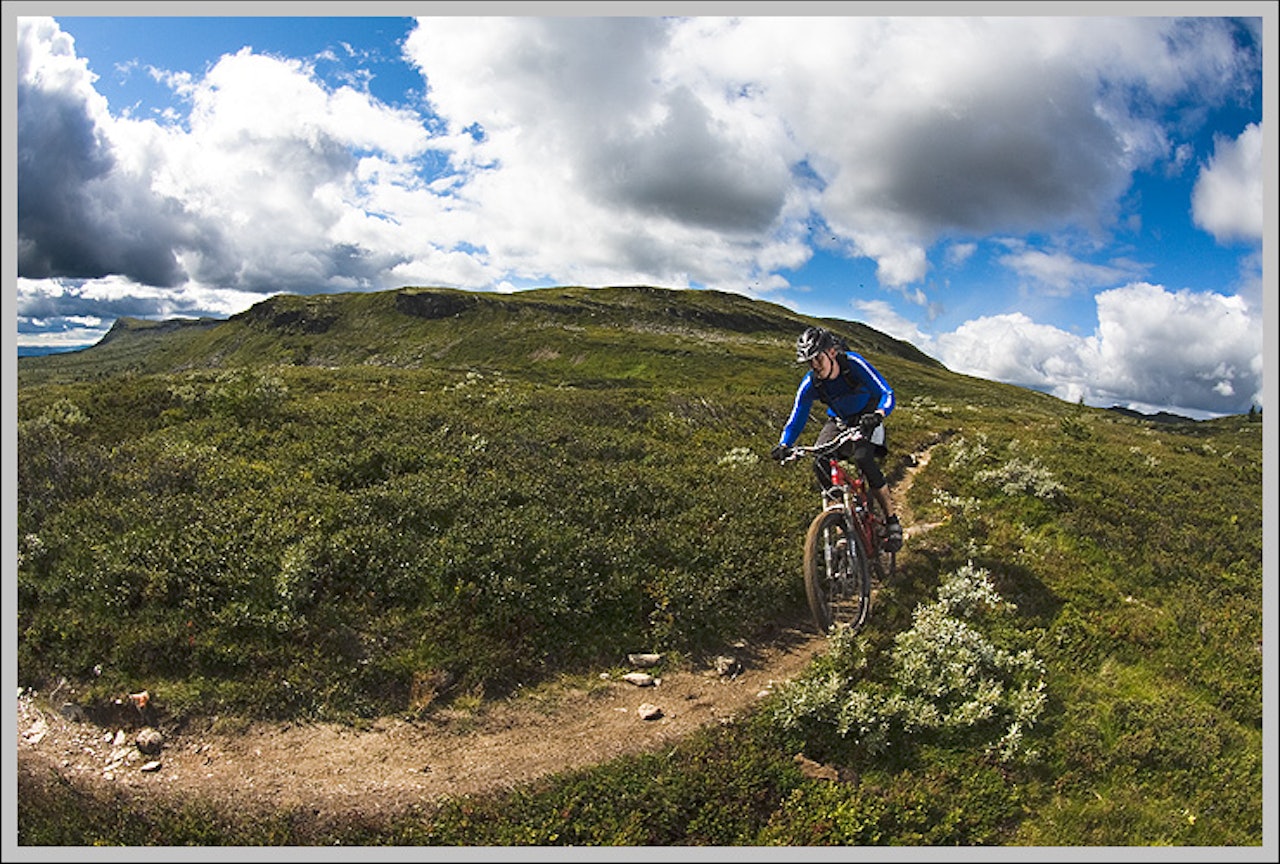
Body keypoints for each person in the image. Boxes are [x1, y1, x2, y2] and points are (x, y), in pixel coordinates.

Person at [770, 326, 903, 552]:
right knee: (820, 461)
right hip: (839, 421)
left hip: (867, 417)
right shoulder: (811, 383)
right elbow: (797, 417)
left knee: (863, 458)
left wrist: (878, 415)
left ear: (831, 352)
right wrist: (785, 444)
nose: (815, 367)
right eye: (809, 362)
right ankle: (841, 523)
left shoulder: (853, 365)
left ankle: (892, 522)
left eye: (818, 359)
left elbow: (886, 393)